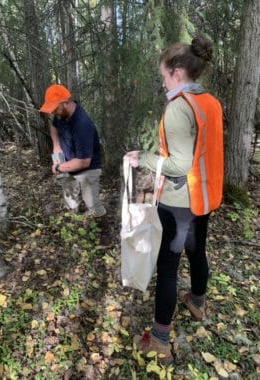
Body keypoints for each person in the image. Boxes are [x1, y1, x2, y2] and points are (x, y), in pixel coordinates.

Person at [127, 36, 224, 363]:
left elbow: (180, 163)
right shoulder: (210, 102)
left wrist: (144, 158)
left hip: (180, 200)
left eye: (164, 76)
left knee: (168, 269)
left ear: (178, 72)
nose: (164, 81)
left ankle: (159, 340)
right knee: (198, 252)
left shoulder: (179, 108)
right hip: (205, 196)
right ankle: (197, 301)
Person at [39, 84, 106, 218]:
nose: (53, 112)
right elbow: (54, 128)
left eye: (54, 108)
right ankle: (75, 218)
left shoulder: (82, 124)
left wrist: (58, 167)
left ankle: (102, 229)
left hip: (89, 168)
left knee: (92, 203)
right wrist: (57, 147)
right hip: (67, 163)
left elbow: (83, 162)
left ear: (65, 103)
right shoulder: (60, 115)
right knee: (70, 198)